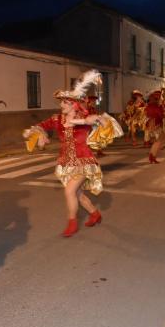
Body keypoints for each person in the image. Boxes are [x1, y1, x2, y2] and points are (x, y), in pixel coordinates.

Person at [23, 70, 105, 238]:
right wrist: (39, 134)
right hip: (67, 162)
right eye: (61, 103)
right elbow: (41, 125)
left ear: (74, 105)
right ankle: (95, 214)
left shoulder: (85, 118)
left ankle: (72, 223)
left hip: (84, 161)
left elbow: (100, 121)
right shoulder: (57, 119)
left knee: (69, 192)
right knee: (78, 195)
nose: (62, 106)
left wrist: (88, 119)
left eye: (65, 103)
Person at [144, 90, 165, 163]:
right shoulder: (157, 107)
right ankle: (152, 156)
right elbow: (162, 116)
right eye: (161, 97)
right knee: (158, 141)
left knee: (158, 141)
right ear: (157, 99)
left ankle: (152, 156)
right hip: (156, 125)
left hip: (152, 125)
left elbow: (148, 114)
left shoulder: (150, 106)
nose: (162, 98)